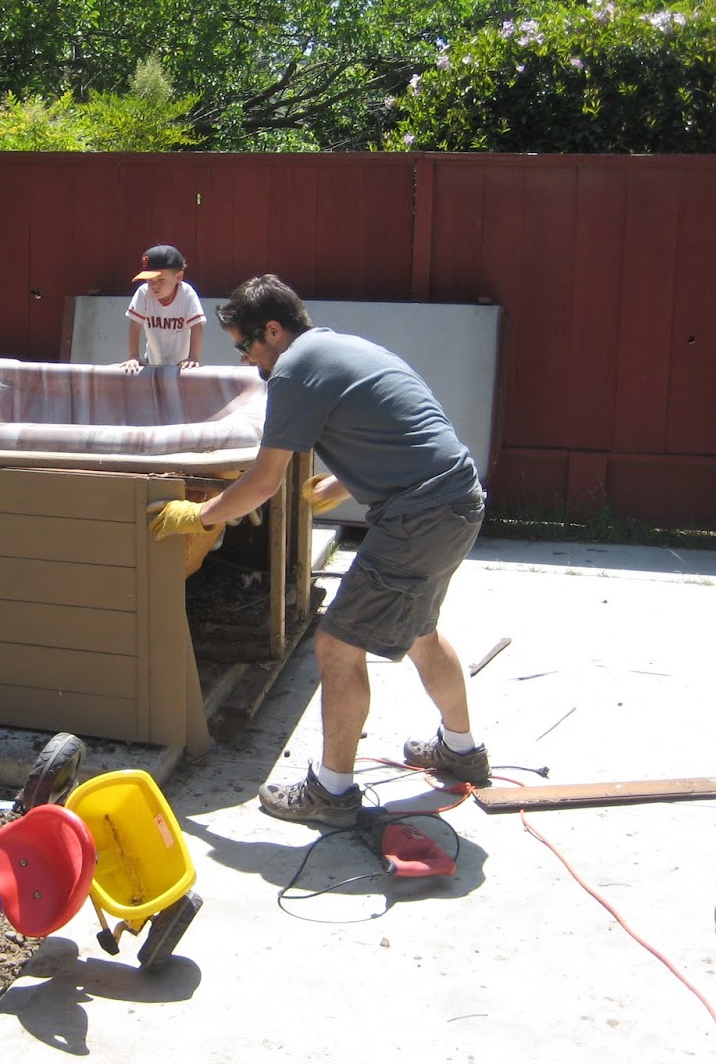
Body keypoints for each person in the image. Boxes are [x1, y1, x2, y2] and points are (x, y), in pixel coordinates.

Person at [148, 274, 489, 827]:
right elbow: (404, 427)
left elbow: (262, 482)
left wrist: (199, 515)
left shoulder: (294, 370)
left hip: (419, 516)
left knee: (335, 645)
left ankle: (331, 793)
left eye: (244, 345)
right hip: (456, 499)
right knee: (420, 631)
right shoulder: (342, 346)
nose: (245, 359)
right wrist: (344, 483)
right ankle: (461, 748)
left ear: (273, 331)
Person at [122, 244, 204, 373]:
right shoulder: (143, 292)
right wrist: (133, 356)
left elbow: (197, 326)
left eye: (161, 280)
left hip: (181, 366)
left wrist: (193, 357)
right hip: (152, 362)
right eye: (150, 280)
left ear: (178, 277)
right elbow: (135, 325)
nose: (155, 285)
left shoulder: (187, 293)